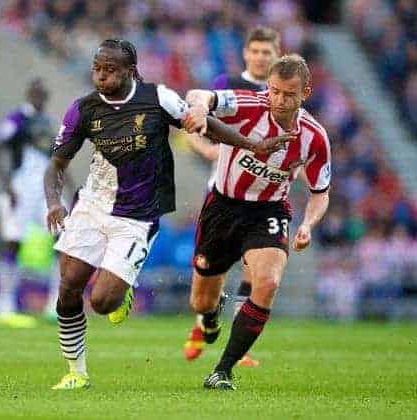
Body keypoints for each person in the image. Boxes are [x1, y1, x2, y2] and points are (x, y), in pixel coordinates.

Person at [44, 38, 292, 390]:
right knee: (68, 288)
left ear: (130, 71)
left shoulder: (158, 98)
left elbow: (201, 123)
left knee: (101, 302)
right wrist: (55, 201)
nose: (101, 76)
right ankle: (76, 372)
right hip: (92, 205)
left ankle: (122, 286)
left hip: (137, 215)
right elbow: (56, 163)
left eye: (110, 70)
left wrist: (250, 144)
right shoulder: (83, 109)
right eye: (97, 69)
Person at [182, 54, 331, 390]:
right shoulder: (247, 104)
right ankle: (209, 317)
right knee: (201, 300)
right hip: (222, 208)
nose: (280, 100)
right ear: (268, 87)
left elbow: (320, 192)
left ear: (305, 93)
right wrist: (202, 109)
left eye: (289, 94)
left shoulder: (314, 137)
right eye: (275, 91)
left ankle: (223, 370)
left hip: (268, 212)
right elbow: (198, 95)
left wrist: (307, 223)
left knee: (268, 282)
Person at [184, 26, 281, 367]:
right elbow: (190, 122)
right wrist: (208, 149)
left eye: (266, 52)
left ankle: (241, 350)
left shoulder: (281, 94)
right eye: (255, 51)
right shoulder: (227, 86)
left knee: (255, 271)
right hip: (223, 193)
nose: (260, 57)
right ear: (245, 53)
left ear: (276, 56)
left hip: (263, 199)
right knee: (209, 285)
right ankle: (206, 318)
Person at [0, 78, 60, 327]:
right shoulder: (16, 119)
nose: (40, 97)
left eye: (43, 93)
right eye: (36, 93)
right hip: (20, 188)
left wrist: (70, 186)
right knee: (13, 243)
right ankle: (5, 306)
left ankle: (56, 303)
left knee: (62, 239)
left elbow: (56, 158)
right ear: (29, 93)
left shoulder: (49, 123)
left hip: (45, 189)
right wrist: (7, 187)